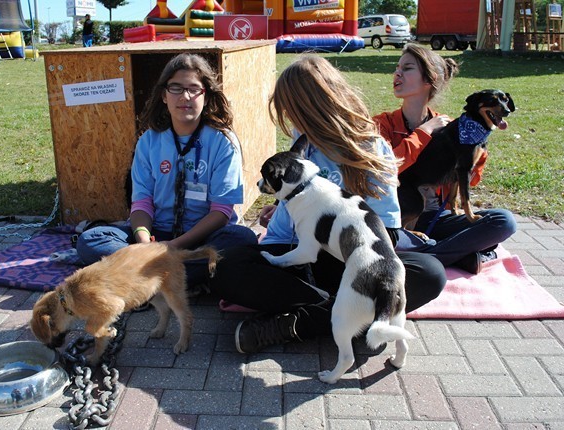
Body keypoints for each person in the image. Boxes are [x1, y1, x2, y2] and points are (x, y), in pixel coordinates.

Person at [209, 54, 446, 354]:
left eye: (293, 111)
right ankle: (345, 313)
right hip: (295, 257)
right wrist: (284, 208)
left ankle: (295, 324)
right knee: (223, 266)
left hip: (348, 262)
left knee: (430, 273)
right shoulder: (302, 141)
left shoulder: (371, 148)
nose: (290, 121)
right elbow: (296, 204)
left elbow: (388, 234)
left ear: (315, 108)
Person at [76, 53, 258, 288]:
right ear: (164, 95)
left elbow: (221, 212)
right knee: (90, 240)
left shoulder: (223, 142)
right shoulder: (149, 141)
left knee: (242, 240)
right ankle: (171, 278)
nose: (185, 96)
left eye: (194, 89)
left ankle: (143, 278)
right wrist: (143, 243)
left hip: (201, 238)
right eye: (176, 88)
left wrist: (171, 248)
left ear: (206, 95)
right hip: (156, 235)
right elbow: (141, 203)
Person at [373, 43, 517, 274]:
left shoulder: (454, 126)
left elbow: (468, 180)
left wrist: (477, 156)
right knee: (481, 241)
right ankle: (456, 254)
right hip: (396, 218)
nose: (397, 73)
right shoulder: (383, 125)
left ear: (430, 80)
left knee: (503, 221)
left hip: (438, 219)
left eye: (407, 68)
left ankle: (428, 255)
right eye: (397, 67)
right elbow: (382, 170)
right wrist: (423, 132)